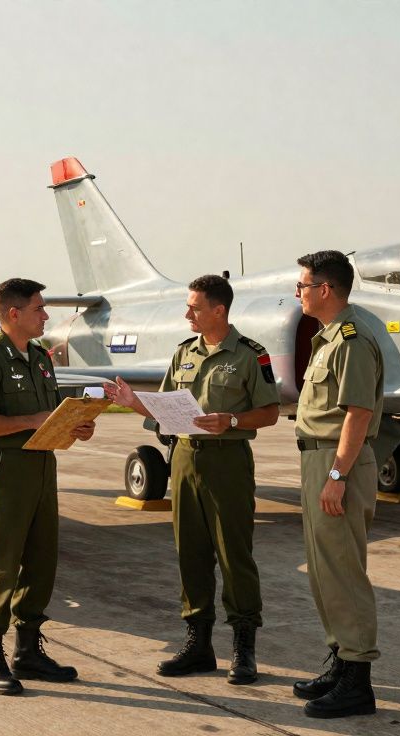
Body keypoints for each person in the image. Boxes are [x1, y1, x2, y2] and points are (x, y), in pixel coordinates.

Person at [105, 274, 280, 686]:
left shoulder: (251, 356)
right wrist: (134, 403)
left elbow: (269, 412)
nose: (187, 314)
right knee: (191, 554)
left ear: (218, 311)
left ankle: (243, 649)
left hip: (228, 461)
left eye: (195, 307)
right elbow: (163, 407)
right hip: (183, 459)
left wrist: (232, 420)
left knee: (234, 556)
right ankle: (198, 645)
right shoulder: (184, 353)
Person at [0, 277, 96, 696]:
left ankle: (27, 652)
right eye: (39, 309)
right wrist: (30, 421)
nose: (46, 315)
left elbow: (49, 414)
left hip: (43, 467)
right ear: (13, 314)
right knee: (3, 565)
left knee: (42, 563)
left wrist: (77, 427)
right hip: (6, 472)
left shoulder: (40, 357)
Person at [290, 250, 384, 719]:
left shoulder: (350, 340)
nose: (298, 293)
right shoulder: (327, 339)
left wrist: (336, 477)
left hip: (336, 464)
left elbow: (358, 414)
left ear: (324, 289)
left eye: (303, 285)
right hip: (319, 460)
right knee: (326, 570)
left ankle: (357, 683)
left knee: (344, 572)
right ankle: (341, 662)